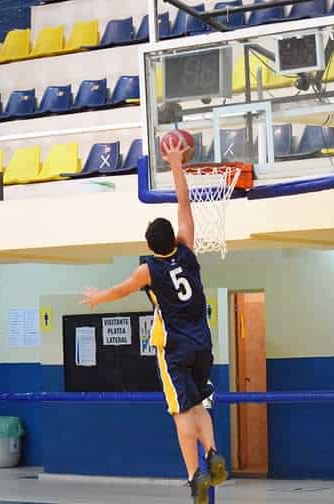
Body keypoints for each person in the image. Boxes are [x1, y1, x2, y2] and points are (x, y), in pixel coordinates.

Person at [81, 137, 227, 504]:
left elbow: (121, 290)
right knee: (200, 404)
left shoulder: (148, 270)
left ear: (149, 246)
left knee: (181, 412)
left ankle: (194, 475)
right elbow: (184, 203)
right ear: (173, 238)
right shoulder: (188, 249)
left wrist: (98, 297)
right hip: (203, 343)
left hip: (174, 346)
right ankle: (213, 453)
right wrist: (176, 164)